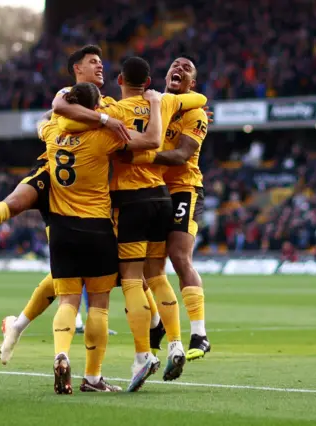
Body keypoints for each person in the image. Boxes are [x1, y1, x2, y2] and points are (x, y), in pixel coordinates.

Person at [0, 45, 126, 364]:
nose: (100, 67)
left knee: (59, 276)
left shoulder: (72, 113)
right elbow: (60, 108)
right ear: (77, 69)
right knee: (17, 208)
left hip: (68, 179)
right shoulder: (76, 97)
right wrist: (107, 119)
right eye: (93, 62)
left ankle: (18, 325)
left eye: (101, 63)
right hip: (64, 187)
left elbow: (50, 120)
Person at [57, 56, 207, 389]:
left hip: (129, 201)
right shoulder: (163, 103)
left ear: (121, 78)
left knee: (131, 280)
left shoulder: (114, 110)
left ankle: (143, 354)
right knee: (157, 274)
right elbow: (199, 99)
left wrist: (103, 118)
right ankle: (176, 343)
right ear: (150, 81)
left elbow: (67, 117)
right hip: (161, 197)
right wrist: (156, 100)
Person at [42, 82, 163, 394]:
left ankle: (61, 354)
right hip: (97, 227)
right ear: (95, 108)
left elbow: (44, 120)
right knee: (98, 306)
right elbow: (151, 140)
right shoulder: (104, 136)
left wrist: (64, 107)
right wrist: (156, 105)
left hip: (60, 228)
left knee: (68, 300)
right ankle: (93, 378)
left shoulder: (52, 132)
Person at [131, 56, 212, 361]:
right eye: (174, 66)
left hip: (184, 190)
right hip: (153, 191)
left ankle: (200, 335)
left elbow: (182, 155)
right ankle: (157, 323)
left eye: (187, 68)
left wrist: (144, 158)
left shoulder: (196, 114)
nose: (178, 69)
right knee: (143, 267)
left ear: (192, 84)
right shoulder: (155, 105)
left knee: (179, 256)